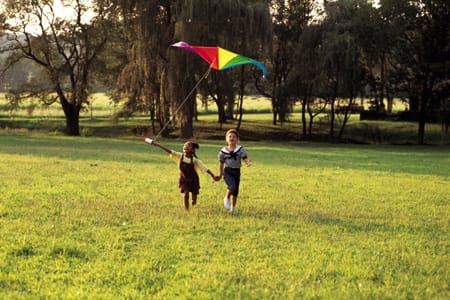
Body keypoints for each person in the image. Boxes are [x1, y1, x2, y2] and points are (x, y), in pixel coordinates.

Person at [141, 137, 218, 211]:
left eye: (188, 146)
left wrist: (213, 175)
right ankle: (187, 210)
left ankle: (194, 200)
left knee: (194, 197)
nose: (185, 147)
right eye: (184, 146)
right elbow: (169, 151)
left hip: (193, 179)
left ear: (193, 150)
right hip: (184, 179)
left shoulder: (195, 160)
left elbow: (204, 168)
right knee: (186, 194)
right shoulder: (179, 156)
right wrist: (157, 144)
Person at [216, 129, 252, 213]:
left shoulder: (240, 149)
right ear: (226, 139)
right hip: (228, 171)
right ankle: (226, 198)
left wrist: (248, 162)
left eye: (234, 137)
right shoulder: (223, 152)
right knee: (232, 187)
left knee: (235, 191)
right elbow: (221, 163)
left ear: (237, 139)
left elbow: (245, 158)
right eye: (230, 136)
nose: (232, 138)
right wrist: (220, 174)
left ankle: (233, 208)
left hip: (237, 171)